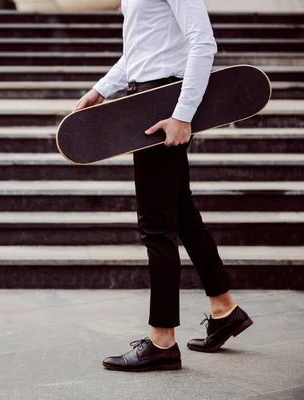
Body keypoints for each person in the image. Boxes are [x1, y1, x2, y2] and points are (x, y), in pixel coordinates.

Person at [73, 0, 253, 372]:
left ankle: (162, 340)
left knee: (156, 224)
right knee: (181, 212)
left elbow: (203, 42)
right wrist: (102, 90)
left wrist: (182, 115)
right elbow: (142, 50)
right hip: (145, 99)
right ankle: (224, 309)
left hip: (162, 107)